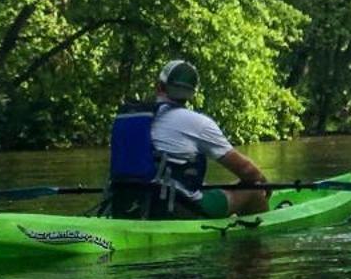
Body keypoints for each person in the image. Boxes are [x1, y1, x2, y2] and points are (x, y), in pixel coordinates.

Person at [106, 59, 269, 218]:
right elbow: (247, 171)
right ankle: (255, 238)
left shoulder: (131, 118)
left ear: (159, 86)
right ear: (191, 94)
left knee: (206, 188)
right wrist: (264, 183)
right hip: (175, 210)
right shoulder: (198, 123)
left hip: (124, 205)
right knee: (254, 189)